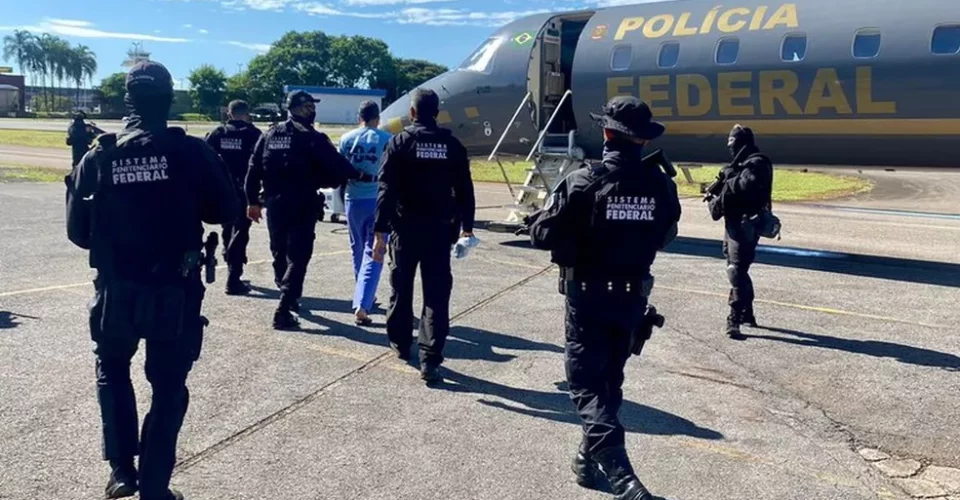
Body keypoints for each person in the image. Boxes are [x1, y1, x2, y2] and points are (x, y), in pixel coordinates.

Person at [65, 61, 238, 500]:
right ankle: (155, 487)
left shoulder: (99, 154)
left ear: (128, 100)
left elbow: (77, 232)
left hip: (116, 288)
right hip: (173, 289)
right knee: (167, 386)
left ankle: (122, 472)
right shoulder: (191, 152)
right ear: (167, 98)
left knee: (112, 371)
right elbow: (225, 210)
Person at [528, 96, 681, 500]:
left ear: (608, 133)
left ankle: (623, 478)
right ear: (643, 140)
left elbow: (541, 235)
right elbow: (667, 234)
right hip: (631, 298)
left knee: (585, 386)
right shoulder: (661, 184)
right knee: (610, 383)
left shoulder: (583, 180)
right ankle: (585, 460)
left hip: (588, 297)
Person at [246, 90, 374, 330]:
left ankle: (288, 295)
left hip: (275, 203)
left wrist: (252, 200)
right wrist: (361, 175)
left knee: (279, 251)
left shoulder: (270, 134)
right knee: (298, 256)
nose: (312, 111)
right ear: (299, 108)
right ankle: (284, 308)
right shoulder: (312, 137)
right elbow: (337, 164)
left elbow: (253, 169)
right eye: (309, 106)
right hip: (301, 202)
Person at [372, 88, 475, 383]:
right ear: (437, 113)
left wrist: (380, 229)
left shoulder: (400, 142)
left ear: (413, 113)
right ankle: (430, 358)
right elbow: (465, 189)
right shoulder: (452, 145)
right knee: (436, 295)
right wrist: (467, 227)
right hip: (440, 231)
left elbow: (386, 189)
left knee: (401, 287)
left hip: (405, 229)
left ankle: (402, 343)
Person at [710, 124, 773, 338]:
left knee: (736, 270)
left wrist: (728, 178)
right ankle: (748, 313)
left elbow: (748, 184)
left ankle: (734, 317)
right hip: (733, 224)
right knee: (738, 269)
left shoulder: (758, 163)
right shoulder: (740, 165)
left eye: (733, 144)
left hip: (747, 225)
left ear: (743, 144)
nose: (730, 148)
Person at [339, 100, 393, 325]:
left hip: (353, 197)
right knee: (376, 249)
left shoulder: (346, 138)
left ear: (358, 117)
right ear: (377, 118)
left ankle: (362, 291)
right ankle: (363, 302)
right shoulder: (386, 139)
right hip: (376, 197)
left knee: (358, 248)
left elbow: (340, 167)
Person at [204, 100, 263, 295]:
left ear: (229, 114)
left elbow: (205, 156)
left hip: (222, 189)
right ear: (247, 114)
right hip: (244, 188)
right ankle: (233, 275)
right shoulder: (253, 134)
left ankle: (229, 255)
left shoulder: (218, 133)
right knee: (241, 232)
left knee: (228, 227)